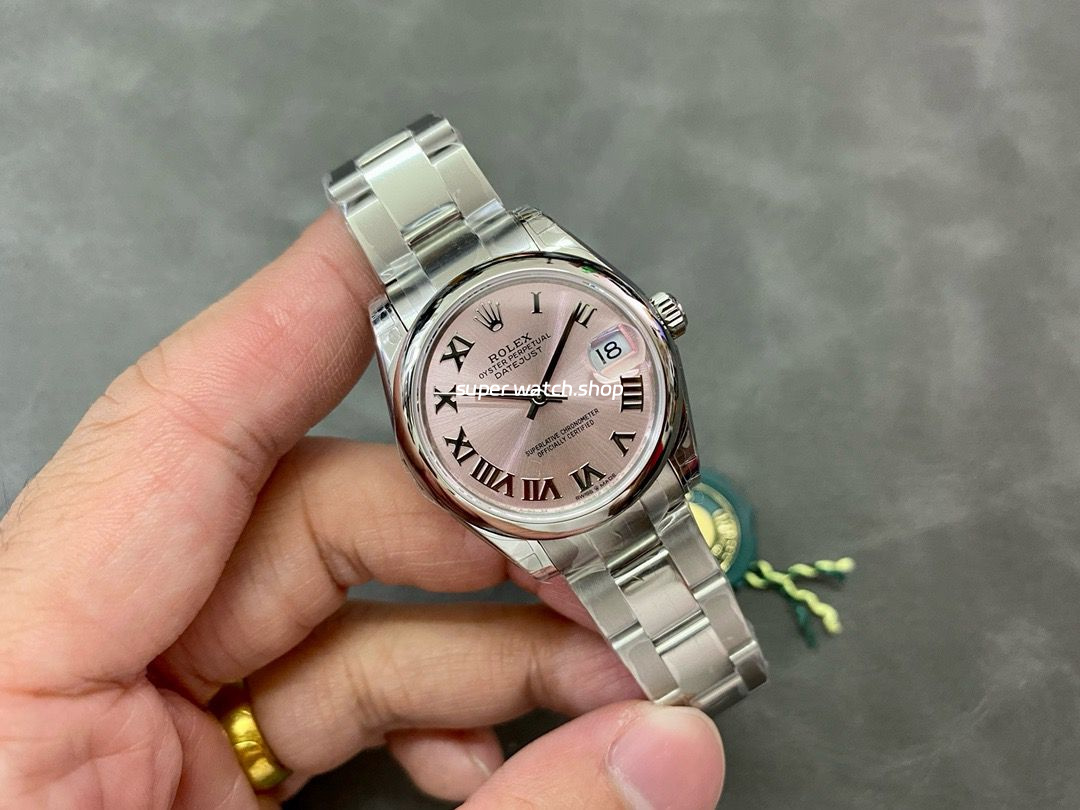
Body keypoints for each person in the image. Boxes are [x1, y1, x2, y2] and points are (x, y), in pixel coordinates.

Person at [0, 211, 727, 809]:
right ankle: (708, 662)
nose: (538, 396)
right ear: (428, 457)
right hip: (548, 510)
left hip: (633, 465)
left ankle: (710, 659)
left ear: (655, 323)